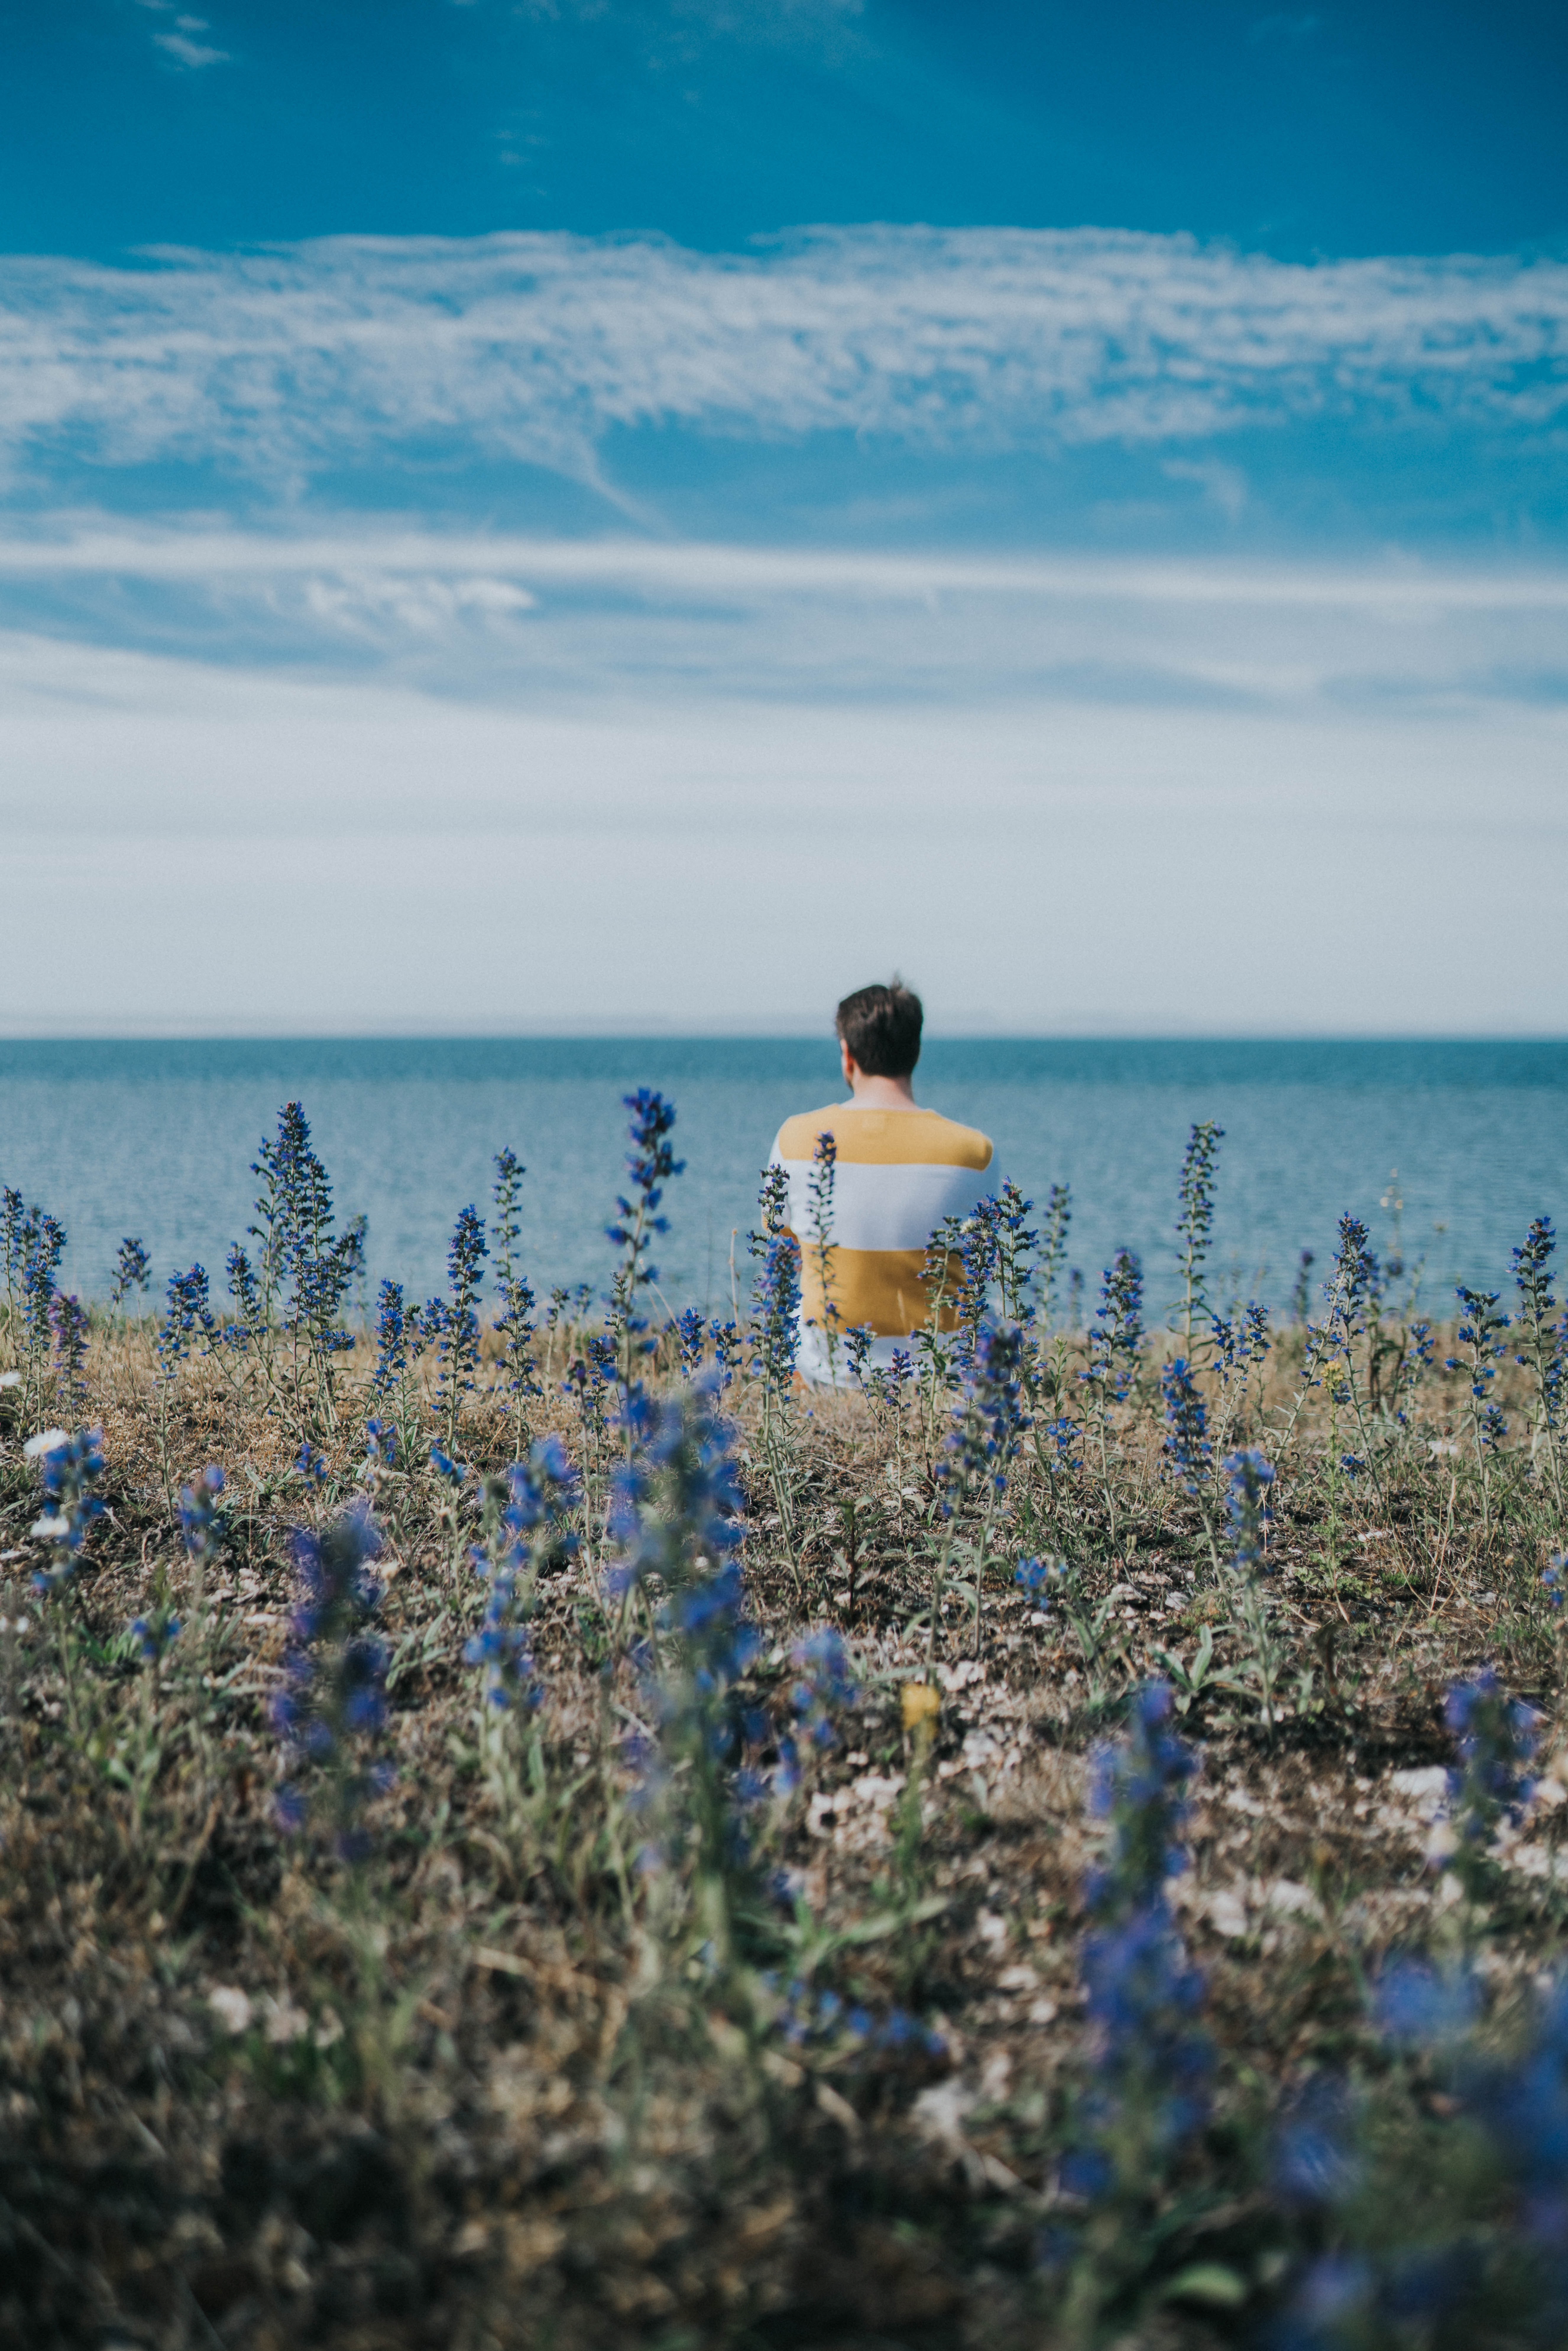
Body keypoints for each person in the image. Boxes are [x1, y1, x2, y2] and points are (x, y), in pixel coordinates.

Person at [769, 980, 996, 1387]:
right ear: (917, 1052)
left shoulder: (794, 1139)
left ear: (847, 1056)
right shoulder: (976, 1153)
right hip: (938, 1379)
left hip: (827, 1371)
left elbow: (785, 1252)